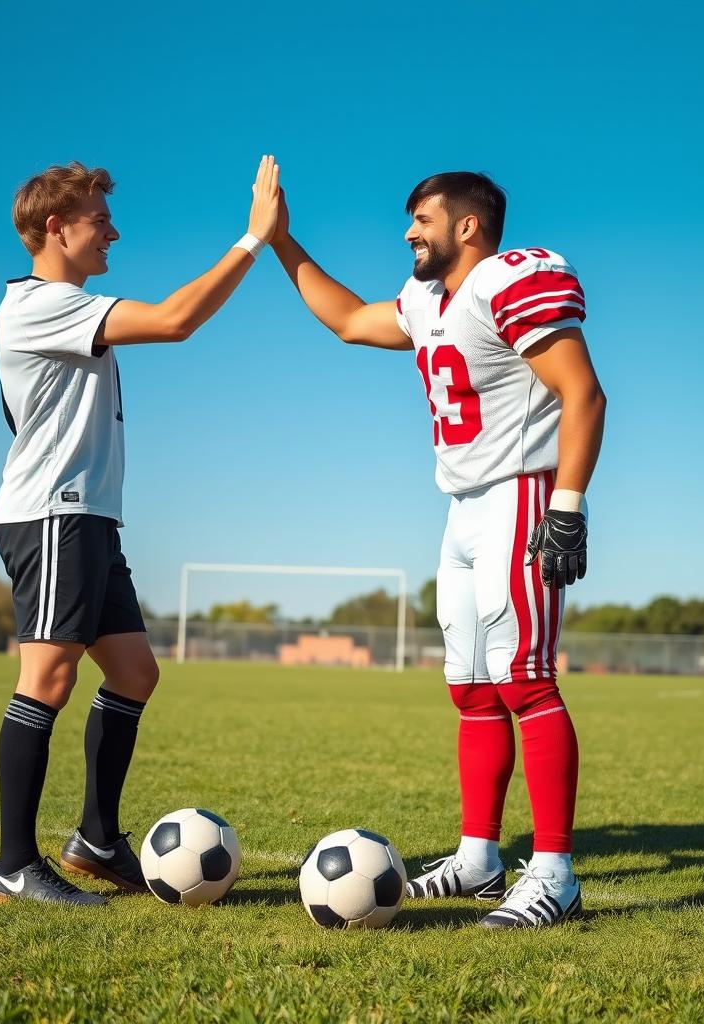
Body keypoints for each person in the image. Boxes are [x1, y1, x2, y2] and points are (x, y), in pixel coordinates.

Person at [271, 172, 605, 928]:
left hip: (522, 491)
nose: (407, 232)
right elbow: (351, 320)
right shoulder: (426, 300)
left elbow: (584, 392)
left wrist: (568, 508)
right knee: (471, 688)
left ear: (468, 227)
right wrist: (279, 241)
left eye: (421, 219)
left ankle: (555, 873)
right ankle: (480, 858)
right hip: (461, 509)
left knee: (525, 679)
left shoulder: (507, 280)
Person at [0, 156, 281, 905]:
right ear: (55, 227)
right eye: (98, 219)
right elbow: (177, 320)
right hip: (56, 515)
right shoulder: (38, 305)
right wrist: (252, 240)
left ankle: (94, 838)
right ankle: (13, 865)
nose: (112, 232)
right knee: (47, 680)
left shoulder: (65, 311)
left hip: (86, 518)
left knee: (134, 674)